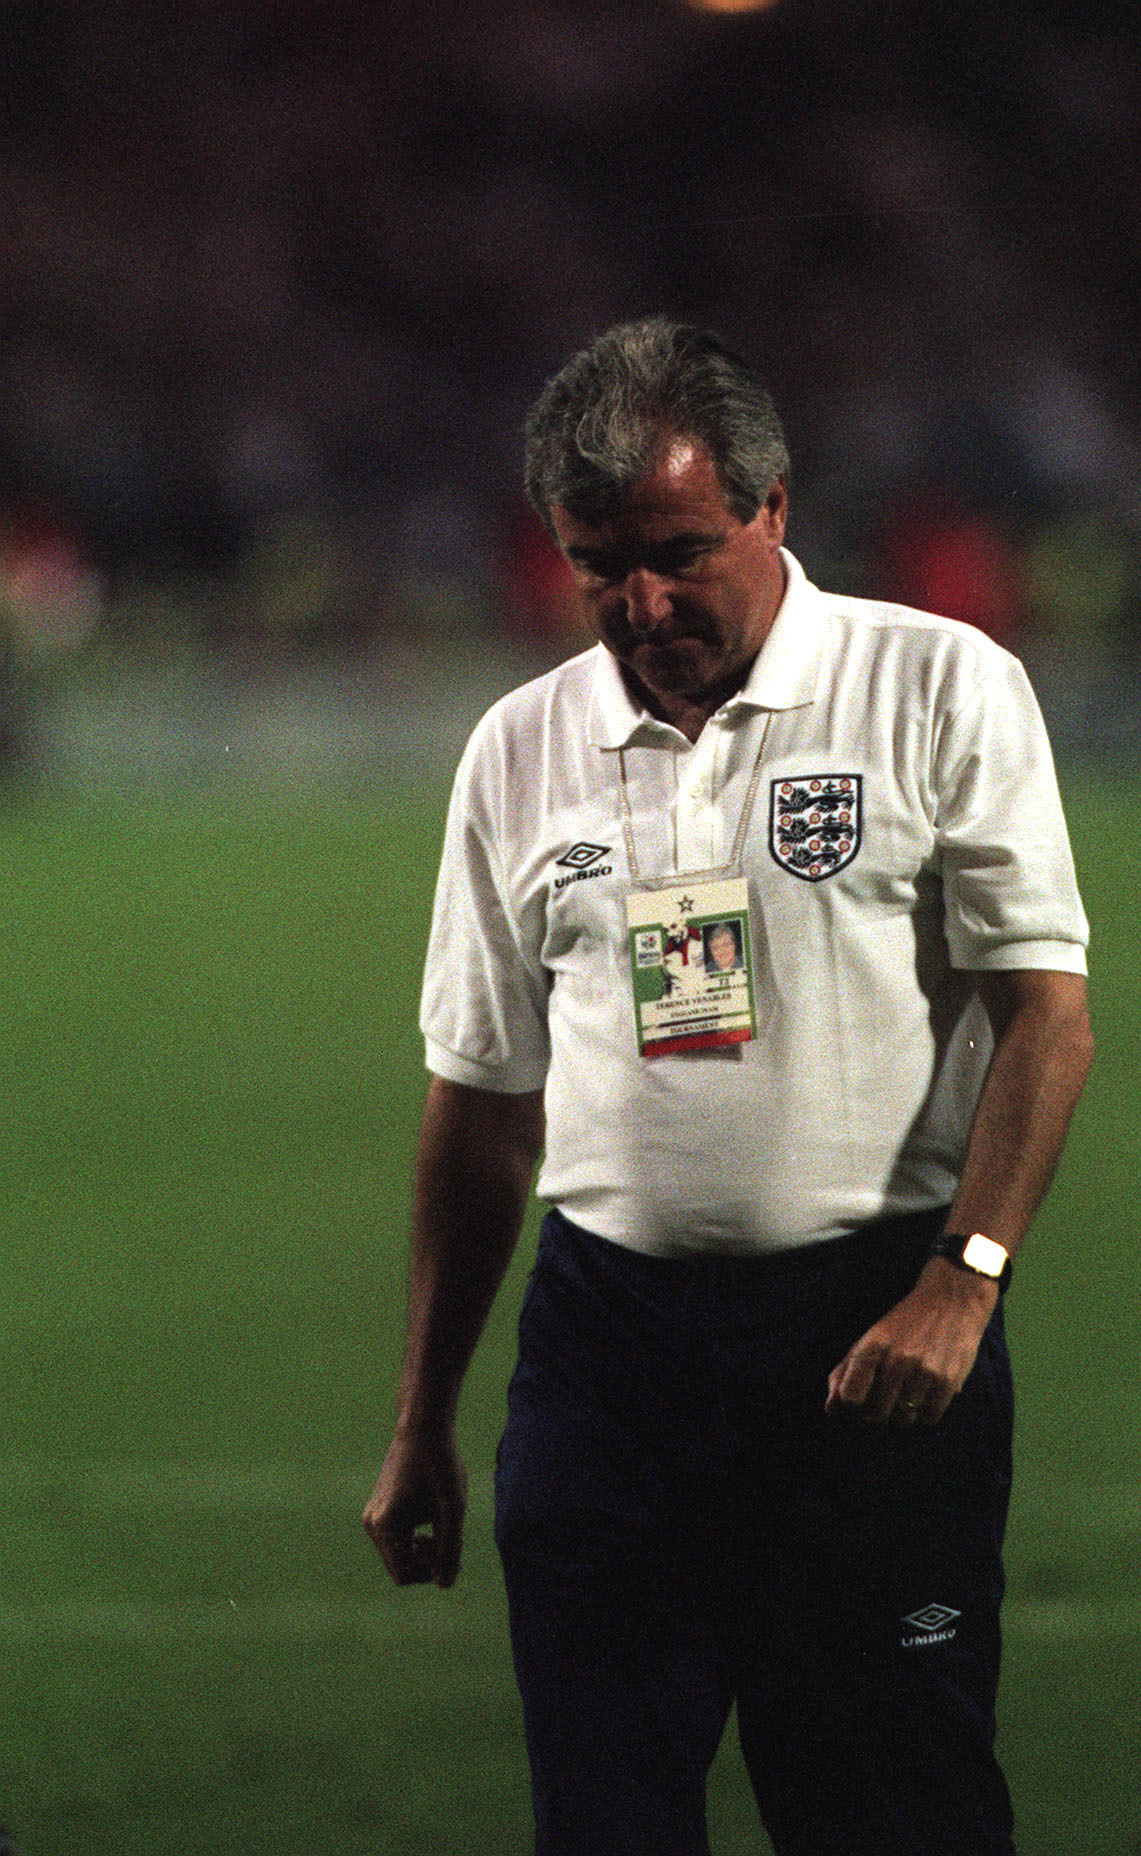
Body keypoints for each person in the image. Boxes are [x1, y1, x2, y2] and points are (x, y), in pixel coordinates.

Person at [363, 316, 1094, 1856]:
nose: (640, 603)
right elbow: (483, 1104)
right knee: (604, 1818)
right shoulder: (520, 749)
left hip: (863, 1339)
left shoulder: (937, 686)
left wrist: (963, 1283)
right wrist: (425, 1413)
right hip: (603, 1351)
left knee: (893, 1811)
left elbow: (1047, 1019)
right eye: (595, 564)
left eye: (682, 551)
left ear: (774, 506)